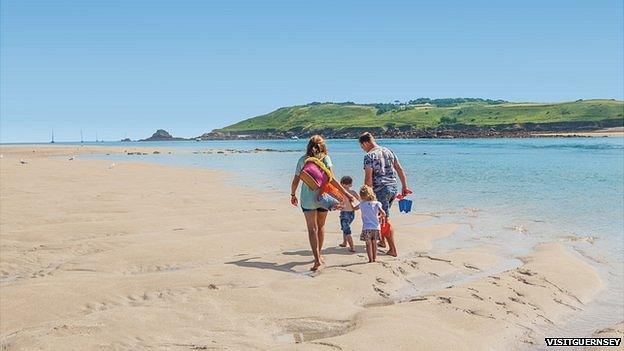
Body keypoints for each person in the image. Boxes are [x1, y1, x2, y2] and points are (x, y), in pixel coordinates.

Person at [290, 135, 355, 271]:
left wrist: (293, 194)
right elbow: (331, 179)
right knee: (321, 226)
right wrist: (346, 193)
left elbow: (296, 180)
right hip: (323, 198)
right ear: (323, 146)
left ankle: (317, 259)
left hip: (308, 199)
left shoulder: (303, 160)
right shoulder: (325, 158)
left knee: (311, 229)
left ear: (308, 146)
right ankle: (319, 254)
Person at [358, 132, 412, 257]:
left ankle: (393, 249)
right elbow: (399, 168)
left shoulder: (369, 156)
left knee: (384, 219)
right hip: (393, 187)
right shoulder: (388, 151)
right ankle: (382, 241)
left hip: (380, 189)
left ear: (365, 143)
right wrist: (404, 186)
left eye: (362, 147)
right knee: (381, 215)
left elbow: (368, 178)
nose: (363, 149)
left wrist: (367, 196)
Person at [358, 185, 385, 263]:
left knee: (368, 244)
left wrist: (350, 200)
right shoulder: (377, 203)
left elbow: (354, 208)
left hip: (366, 227)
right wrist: (379, 217)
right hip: (376, 227)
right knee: (374, 243)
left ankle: (370, 259)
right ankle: (375, 258)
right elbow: (383, 213)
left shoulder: (362, 204)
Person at [337, 176, 360, 252]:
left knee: (347, 230)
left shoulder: (340, 192)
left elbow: (336, 201)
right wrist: (357, 207)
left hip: (344, 213)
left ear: (341, 184)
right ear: (351, 184)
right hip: (352, 214)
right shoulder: (353, 192)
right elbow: (360, 200)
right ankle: (344, 242)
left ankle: (352, 247)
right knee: (345, 227)